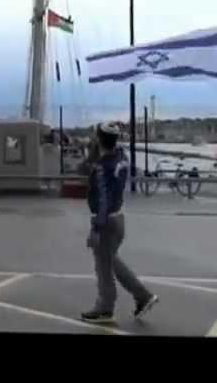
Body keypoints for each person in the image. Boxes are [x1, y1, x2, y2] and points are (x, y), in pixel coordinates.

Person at [81, 122, 159, 324]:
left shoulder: (102, 167)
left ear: (99, 139)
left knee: (104, 269)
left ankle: (106, 308)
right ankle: (142, 297)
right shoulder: (121, 158)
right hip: (118, 219)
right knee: (111, 262)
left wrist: (96, 228)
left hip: (106, 221)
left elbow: (103, 200)